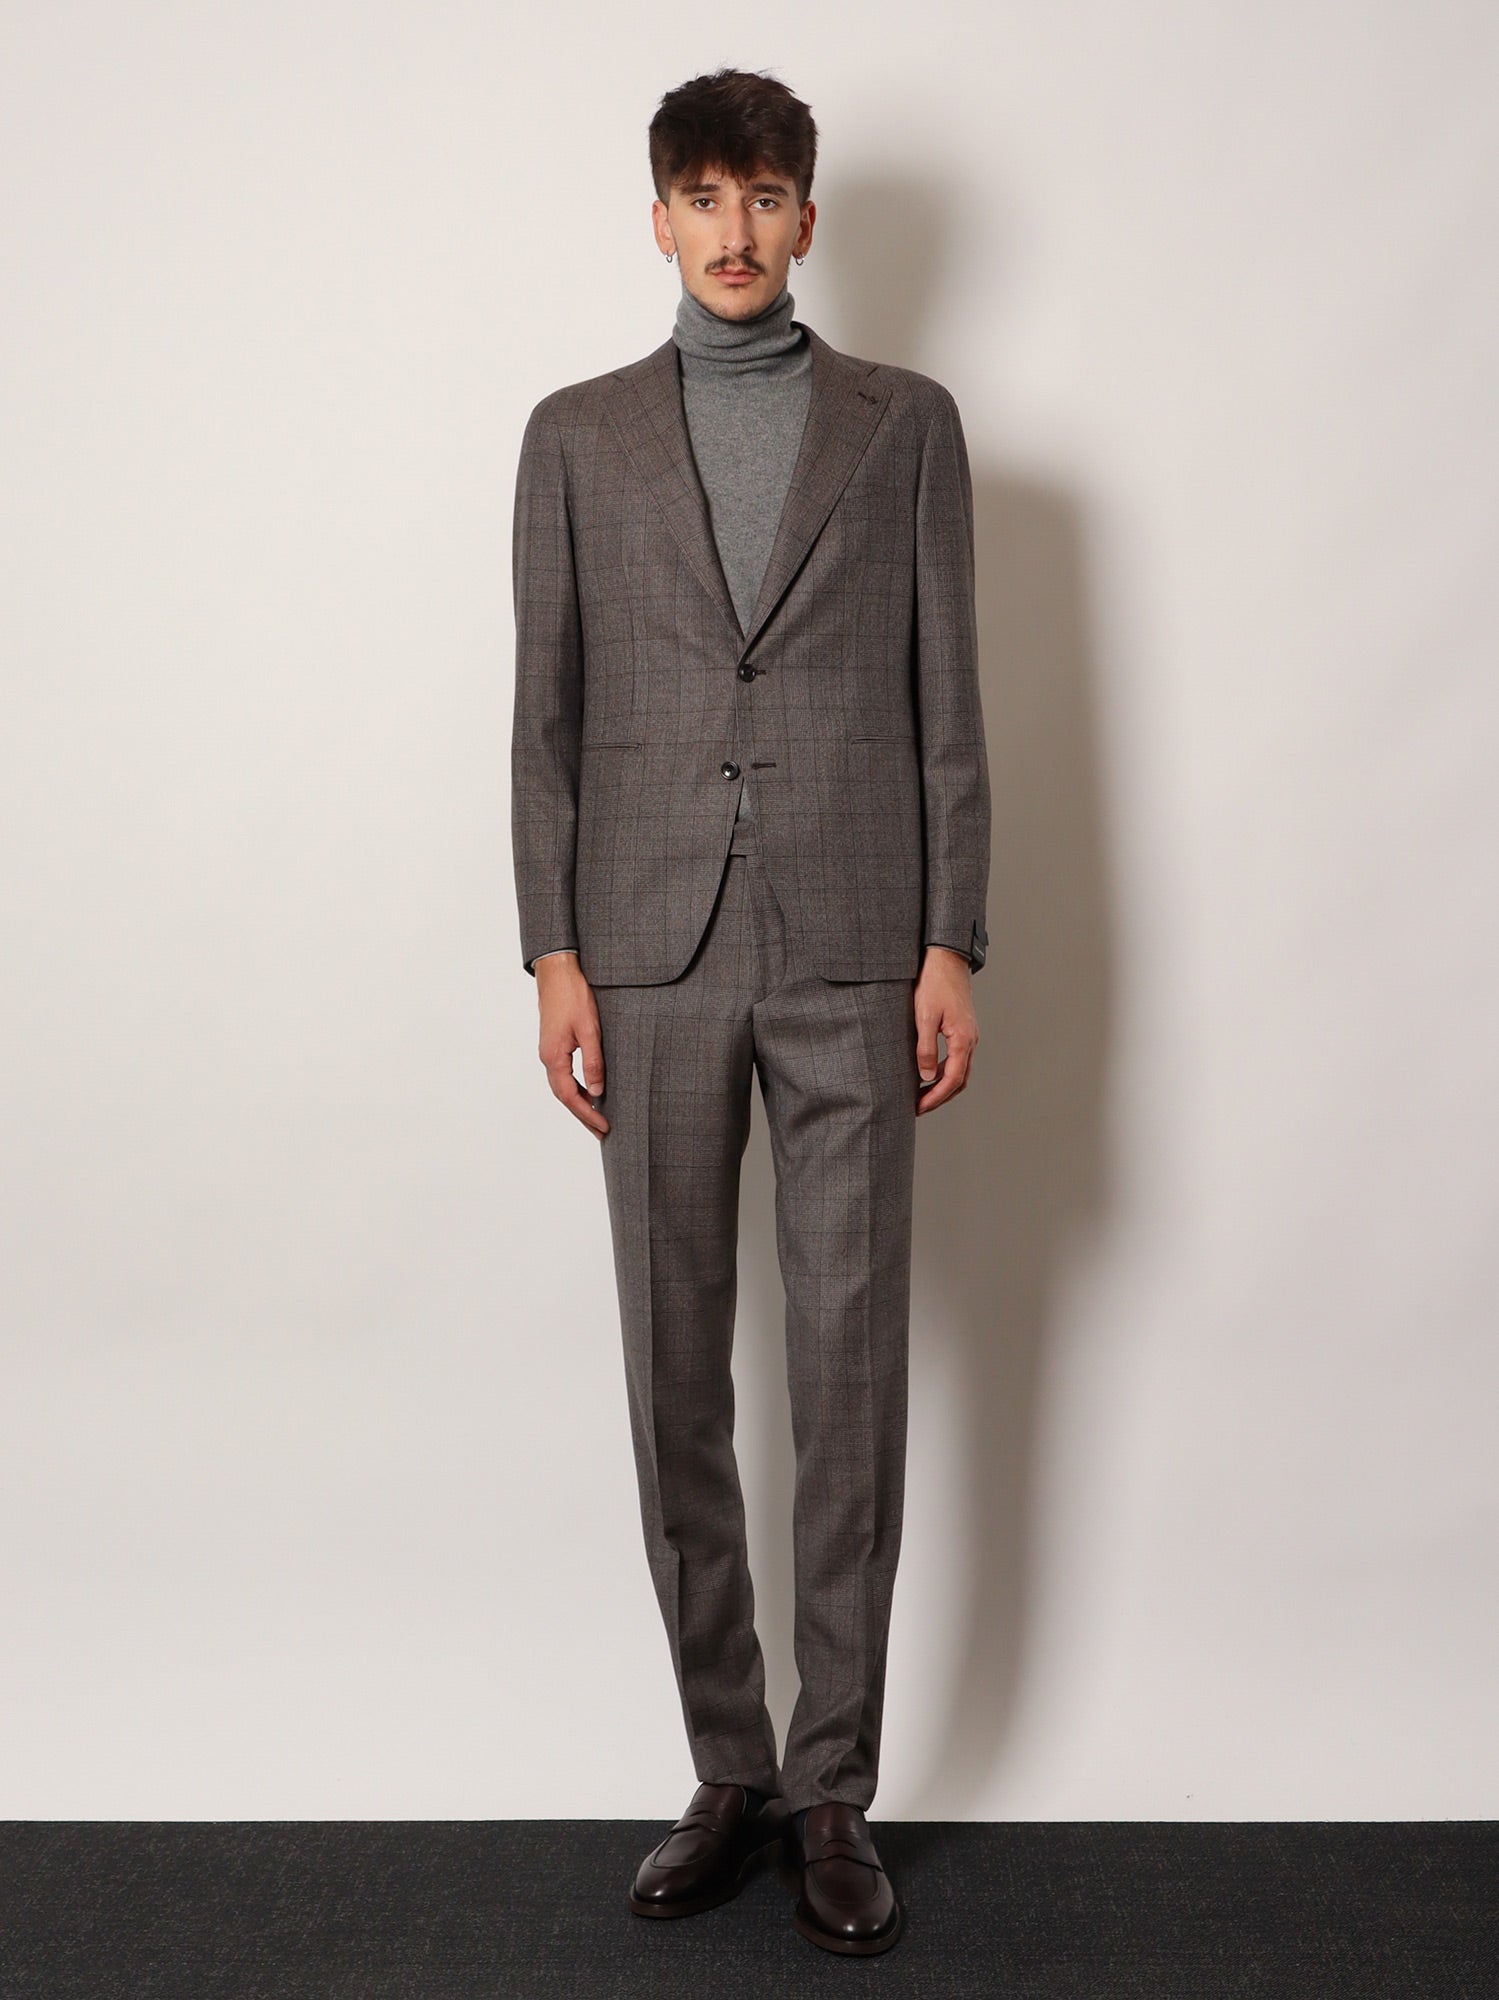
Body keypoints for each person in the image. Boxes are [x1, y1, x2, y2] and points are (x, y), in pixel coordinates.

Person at [510, 65, 990, 1958]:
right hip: (645, 951)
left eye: (765, 194)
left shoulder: (907, 425)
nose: (734, 229)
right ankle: (730, 1767)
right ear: (659, 220)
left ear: (806, 216)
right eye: (703, 197)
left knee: (851, 1366)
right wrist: (553, 952)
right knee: (674, 1366)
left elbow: (948, 700)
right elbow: (544, 717)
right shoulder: (574, 436)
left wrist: (953, 939)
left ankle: (835, 1787)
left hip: (857, 940)